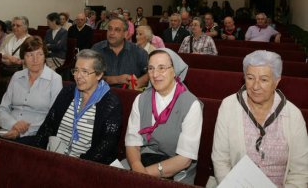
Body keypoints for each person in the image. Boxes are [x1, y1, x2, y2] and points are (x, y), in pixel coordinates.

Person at [211, 50, 308, 187]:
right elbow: (220, 160)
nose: (255, 86)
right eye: (250, 78)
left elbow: (300, 173)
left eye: (264, 80)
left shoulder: (293, 115)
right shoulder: (229, 106)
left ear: (276, 81)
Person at [27, 49, 122, 165]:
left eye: (85, 72)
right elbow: (48, 126)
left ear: (99, 74)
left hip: (85, 165)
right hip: (54, 156)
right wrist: (37, 154)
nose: (78, 76)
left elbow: (106, 145)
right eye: (76, 70)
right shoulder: (68, 92)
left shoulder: (110, 102)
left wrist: (78, 165)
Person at [124, 48, 203, 184]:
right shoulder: (141, 99)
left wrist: (143, 176)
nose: (155, 74)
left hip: (176, 169)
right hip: (142, 161)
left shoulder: (191, 104)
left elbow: (184, 159)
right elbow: (132, 143)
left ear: (174, 71)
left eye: (162, 68)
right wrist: (137, 169)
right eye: (151, 68)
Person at [0, 36, 63, 143]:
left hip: (36, 133)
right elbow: (2, 108)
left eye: (39, 54)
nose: (35, 60)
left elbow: (53, 117)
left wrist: (21, 131)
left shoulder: (55, 79)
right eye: (29, 55)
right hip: (9, 128)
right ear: (23, 58)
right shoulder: (17, 77)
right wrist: (13, 125)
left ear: (45, 56)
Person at [92, 17, 148, 89]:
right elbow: (89, 76)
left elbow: (151, 72)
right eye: (110, 29)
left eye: (117, 30)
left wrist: (139, 82)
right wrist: (117, 79)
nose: (111, 33)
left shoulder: (138, 52)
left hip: (129, 96)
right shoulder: (97, 49)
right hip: (102, 95)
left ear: (125, 34)